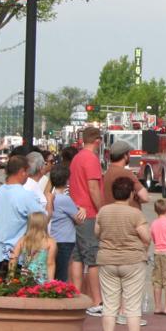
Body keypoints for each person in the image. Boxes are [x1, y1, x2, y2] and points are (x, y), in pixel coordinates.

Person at [95, 176, 151, 331]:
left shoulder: (103, 211)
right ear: (131, 194)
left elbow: (97, 233)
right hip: (132, 261)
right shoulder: (135, 214)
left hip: (107, 260)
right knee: (132, 306)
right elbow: (146, 237)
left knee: (110, 305)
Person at [0, 155, 48, 270]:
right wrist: (50, 202)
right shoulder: (25, 195)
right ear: (22, 172)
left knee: (5, 286)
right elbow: (42, 219)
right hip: (19, 255)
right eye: (27, 172)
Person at [69, 127, 105, 315]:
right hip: (89, 213)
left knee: (77, 256)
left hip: (76, 211)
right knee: (92, 257)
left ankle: (76, 294)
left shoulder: (77, 158)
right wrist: (102, 209)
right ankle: (96, 300)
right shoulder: (90, 159)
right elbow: (93, 188)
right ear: (97, 141)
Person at [48, 164, 85, 282]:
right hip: (65, 240)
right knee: (62, 274)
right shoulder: (65, 199)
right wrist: (82, 210)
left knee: (53, 270)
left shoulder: (50, 197)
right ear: (66, 181)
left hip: (53, 237)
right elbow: (79, 220)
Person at [101, 140, 150, 209]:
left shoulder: (106, 174)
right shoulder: (126, 173)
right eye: (129, 154)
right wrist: (136, 197)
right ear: (125, 156)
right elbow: (145, 197)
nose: (130, 156)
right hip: (128, 215)